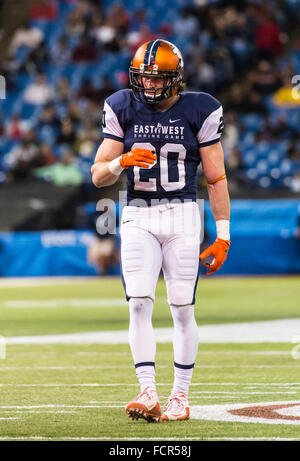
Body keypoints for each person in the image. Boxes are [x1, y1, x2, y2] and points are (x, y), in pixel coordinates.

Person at [91, 39, 230, 422]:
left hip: (183, 212)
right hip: (138, 212)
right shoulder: (122, 105)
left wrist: (224, 234)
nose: (150, 86)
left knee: (182, 307)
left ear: (176, 79)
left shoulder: (201, 109)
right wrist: (122, 159)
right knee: (138, 302)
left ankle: (179, 397)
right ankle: (147, 390)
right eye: (145, 78)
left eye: (158, 79)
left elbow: (216, 178)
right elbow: (97, 173)